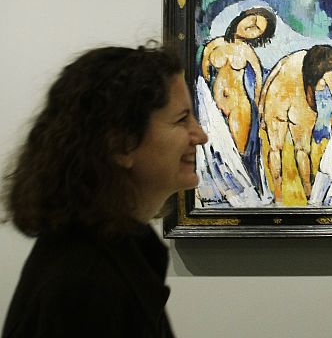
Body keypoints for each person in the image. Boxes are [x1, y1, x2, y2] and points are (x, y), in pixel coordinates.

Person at [2, 44, 208, 337]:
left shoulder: (109, 254)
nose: (200, 135)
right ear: (121, 144)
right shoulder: (85, 284)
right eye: (181, 119)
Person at [259, 44, 332, 202]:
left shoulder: (294, 57)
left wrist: (262, 108)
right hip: (300, 106)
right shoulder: (326, 72)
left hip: (275, 100)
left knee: (275, 148)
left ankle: (278, 195)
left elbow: (269, 81)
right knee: (302, 151)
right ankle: (309, 193)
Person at [200, 6, 276, 159]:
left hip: (239, 106)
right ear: (243, 17)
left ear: (258, 36)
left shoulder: (247, 51)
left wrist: (259, 109)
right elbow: (204, 76)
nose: (252, 26)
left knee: (238, 155)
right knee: (211, 151)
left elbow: (259, 82)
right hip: (213, 105)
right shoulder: (214, 44)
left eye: (258, 29)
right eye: (253, 20)